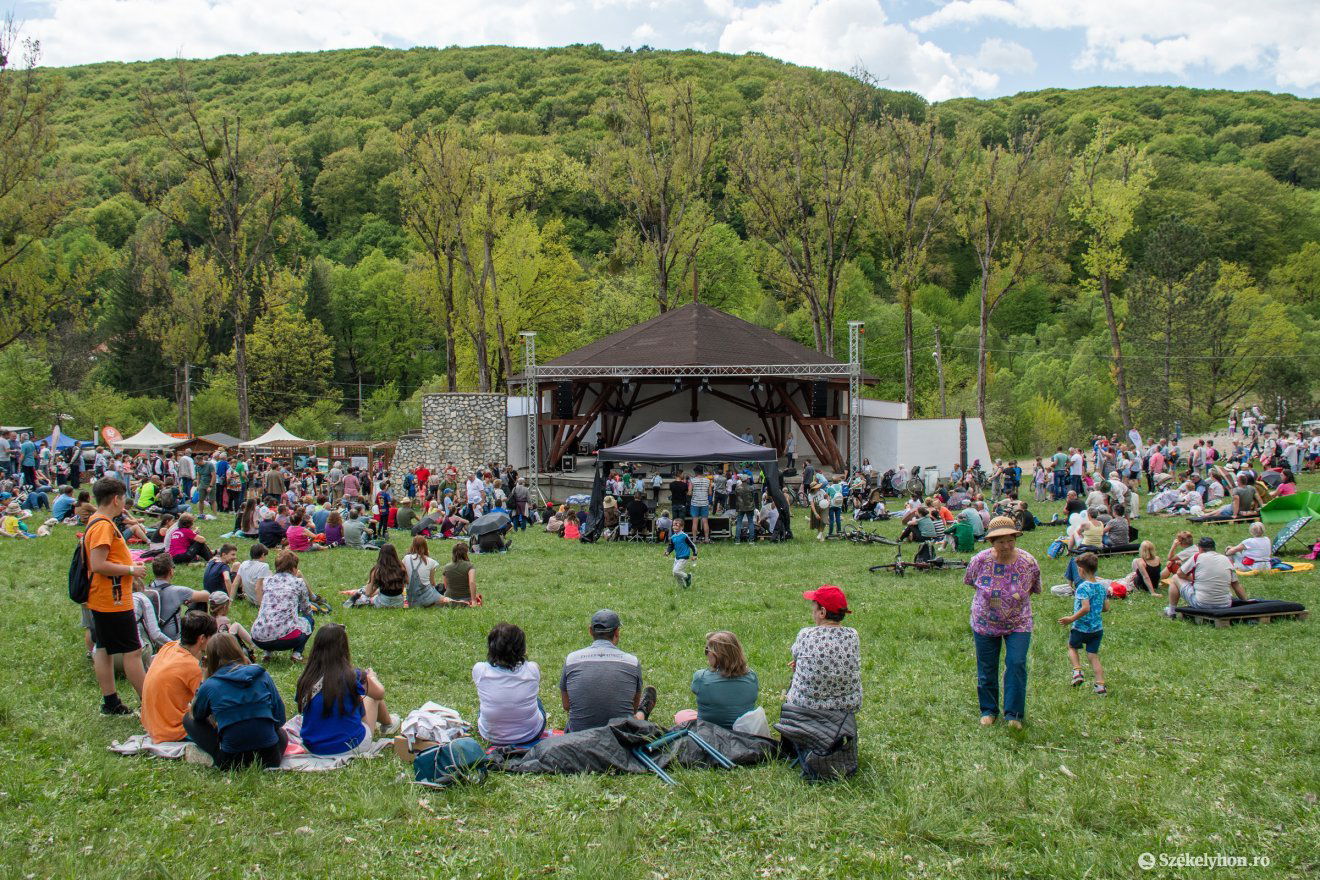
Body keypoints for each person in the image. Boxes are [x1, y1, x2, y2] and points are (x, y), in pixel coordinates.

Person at [965, 516, 1042, 729]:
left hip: (1019, 622)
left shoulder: (1028, 561)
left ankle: (1014, 715)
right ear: (991, 542)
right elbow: (971, 581)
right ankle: (988, 710)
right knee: (987, 667)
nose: (1006, 546)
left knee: (1016, 663)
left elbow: (1034, 587)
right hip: (984, 622)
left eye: (1010, 540)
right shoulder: (979, 561)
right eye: (1001, 541)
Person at [83, 477, 149, 714]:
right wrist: (131, 569)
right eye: (123, 498)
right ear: (116, 499)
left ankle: (110, 701)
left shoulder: (97, 521)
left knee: (103, 647)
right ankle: (149, 702)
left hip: (103, 596)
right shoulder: (103, 525)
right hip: (113, 599)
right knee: (132, 651)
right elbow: (98, 563)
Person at [184, 633, 288, 769]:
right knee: (281, 733)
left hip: (231, 762)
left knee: (188, 719)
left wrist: (204, 678)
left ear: (210, 659)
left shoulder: (210, 685)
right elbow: (280, 718)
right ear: (238, 650)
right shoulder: (261, 674)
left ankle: (219, 750)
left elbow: (197, 715)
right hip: (271, 757)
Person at [295, 624, 396, 756]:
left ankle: (387, 724)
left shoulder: (305, 678)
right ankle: (388, 724)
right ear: (343, 647)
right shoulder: (352, 675)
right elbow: (380, 693)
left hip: (313, 747)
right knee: (371, 697)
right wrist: (372, 677)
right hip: (350, 746)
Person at [559, 609, 655, 733]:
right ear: (617, 632)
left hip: (579, 739)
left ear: (590, 631)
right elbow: (632, 709)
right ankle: (643, 712)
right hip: (621, 738)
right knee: (636, 716)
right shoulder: (632, 662)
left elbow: (567, 706)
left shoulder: (571, 660)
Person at [141, 611, 217, 743]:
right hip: (172, 731)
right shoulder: (191, 667)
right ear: (202, 638)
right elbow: (207, 704)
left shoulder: (168, 647)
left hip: (151, 725)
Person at [472, 623, 547, 747]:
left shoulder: (479, 670)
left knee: (484, 705)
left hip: (490, 736)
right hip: (530, 735)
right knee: (536, 700)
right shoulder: (533, 669)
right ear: (522, 648)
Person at [1057, 552, 1108, 695]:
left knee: (1072, 646)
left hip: (1081, 627)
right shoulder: (1101, 587)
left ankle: (1077, 671)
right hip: (1097, 629)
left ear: (1081, 570)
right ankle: (1100, 686)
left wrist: (1071, 619)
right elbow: (1106, 608)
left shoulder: (1083, 587)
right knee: (1093, 656)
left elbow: (1085, 608)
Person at [685, 631, 758, 729]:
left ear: (718, 655)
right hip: (744, 736)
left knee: (684, 715)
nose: (706, 654)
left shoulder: (701, 678)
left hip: (709, 736)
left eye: (707, 650)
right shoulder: (752, 677)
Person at [250, 550, 314, 661]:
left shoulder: (267, 581)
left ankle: (267, 653)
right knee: (310, 620)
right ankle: (297, 654)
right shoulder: (298, 582)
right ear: (294, 568)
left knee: (271, 620)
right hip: (286, 639)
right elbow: (306, 609)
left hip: (258, 637)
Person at [1167, 537, 1249, 617]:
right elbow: (1236, 585)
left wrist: (1194, 578)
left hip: (1202, 604)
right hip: (1225, 604)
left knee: (1175, 578)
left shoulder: (1197, 557)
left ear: (1200, 548)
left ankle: (1171, 611)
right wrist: (1247, 602)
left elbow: (1180, 574)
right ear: (1214, 548)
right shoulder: (1226, 559)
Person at [350, 543, 408, 608]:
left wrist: (370, 581)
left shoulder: (377, 570)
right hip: (398, 603)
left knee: (364, 594)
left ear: (381, 555)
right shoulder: (401, 568)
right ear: (395, 554)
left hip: (382, 603)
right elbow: (402, 588)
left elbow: (368, 593)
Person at [440, 541, 476, 605]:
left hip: (449, 596)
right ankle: (463, 602)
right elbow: (472, 582)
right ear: (466, 553)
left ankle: (452, 601)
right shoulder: (470, 566)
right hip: (466, 597)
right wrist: (473, 600)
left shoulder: (446, 567)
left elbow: (445, 586)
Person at [666, 518, 697, 588]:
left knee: (676, 571)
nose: (675, 527)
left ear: (682, 527)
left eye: (677, 525)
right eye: (674, 525)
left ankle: (687, 577)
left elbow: (693, 545)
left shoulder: (684, 536)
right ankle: (682, 587)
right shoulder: (673, 537)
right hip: (677, 557)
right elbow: (671, 546)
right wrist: (668, 551)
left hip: (684, 557)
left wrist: (695, 554)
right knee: (675, 574)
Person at [688, 467, 711, 542]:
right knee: (705, 521)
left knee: (695, 522)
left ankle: (694, 539)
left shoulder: (692, 480)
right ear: (702, 472)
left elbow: (690, 492)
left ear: (696, 472)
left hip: (695, 503)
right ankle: (706, 539)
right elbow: (710, 493)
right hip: (705, 503)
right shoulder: (708, 480)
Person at [734, 476, 758, 544]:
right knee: (751, 523)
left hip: (740, 507)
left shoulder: (737, 488)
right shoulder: (751, 487)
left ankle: (737, 540)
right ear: (747, 479)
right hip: (749, 507)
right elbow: (753, 496)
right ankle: (751, 540)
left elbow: (736, 496)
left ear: (741, 480)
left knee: (739, 523)